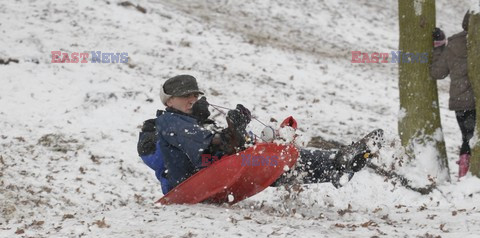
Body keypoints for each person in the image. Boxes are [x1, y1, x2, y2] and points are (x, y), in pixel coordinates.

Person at [138, 74, 377, 194]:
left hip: (209, 173)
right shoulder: (167, 122)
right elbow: (205, 150)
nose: (191, 100)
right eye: (185, 96)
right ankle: (334, 164)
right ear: (169, 101)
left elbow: (218, 147)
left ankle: (336, 164)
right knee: (259, 161)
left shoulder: (192, 122)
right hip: (185, 183)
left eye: (195, 95)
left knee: (269, 161)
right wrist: (233, 131)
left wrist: (239, 132)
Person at [431, 11, 476, 178]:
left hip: (462, 102)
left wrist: (439, 47)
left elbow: (437, 72)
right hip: (474, 101)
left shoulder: (454, 43)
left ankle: (465, 175)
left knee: (468, 138)